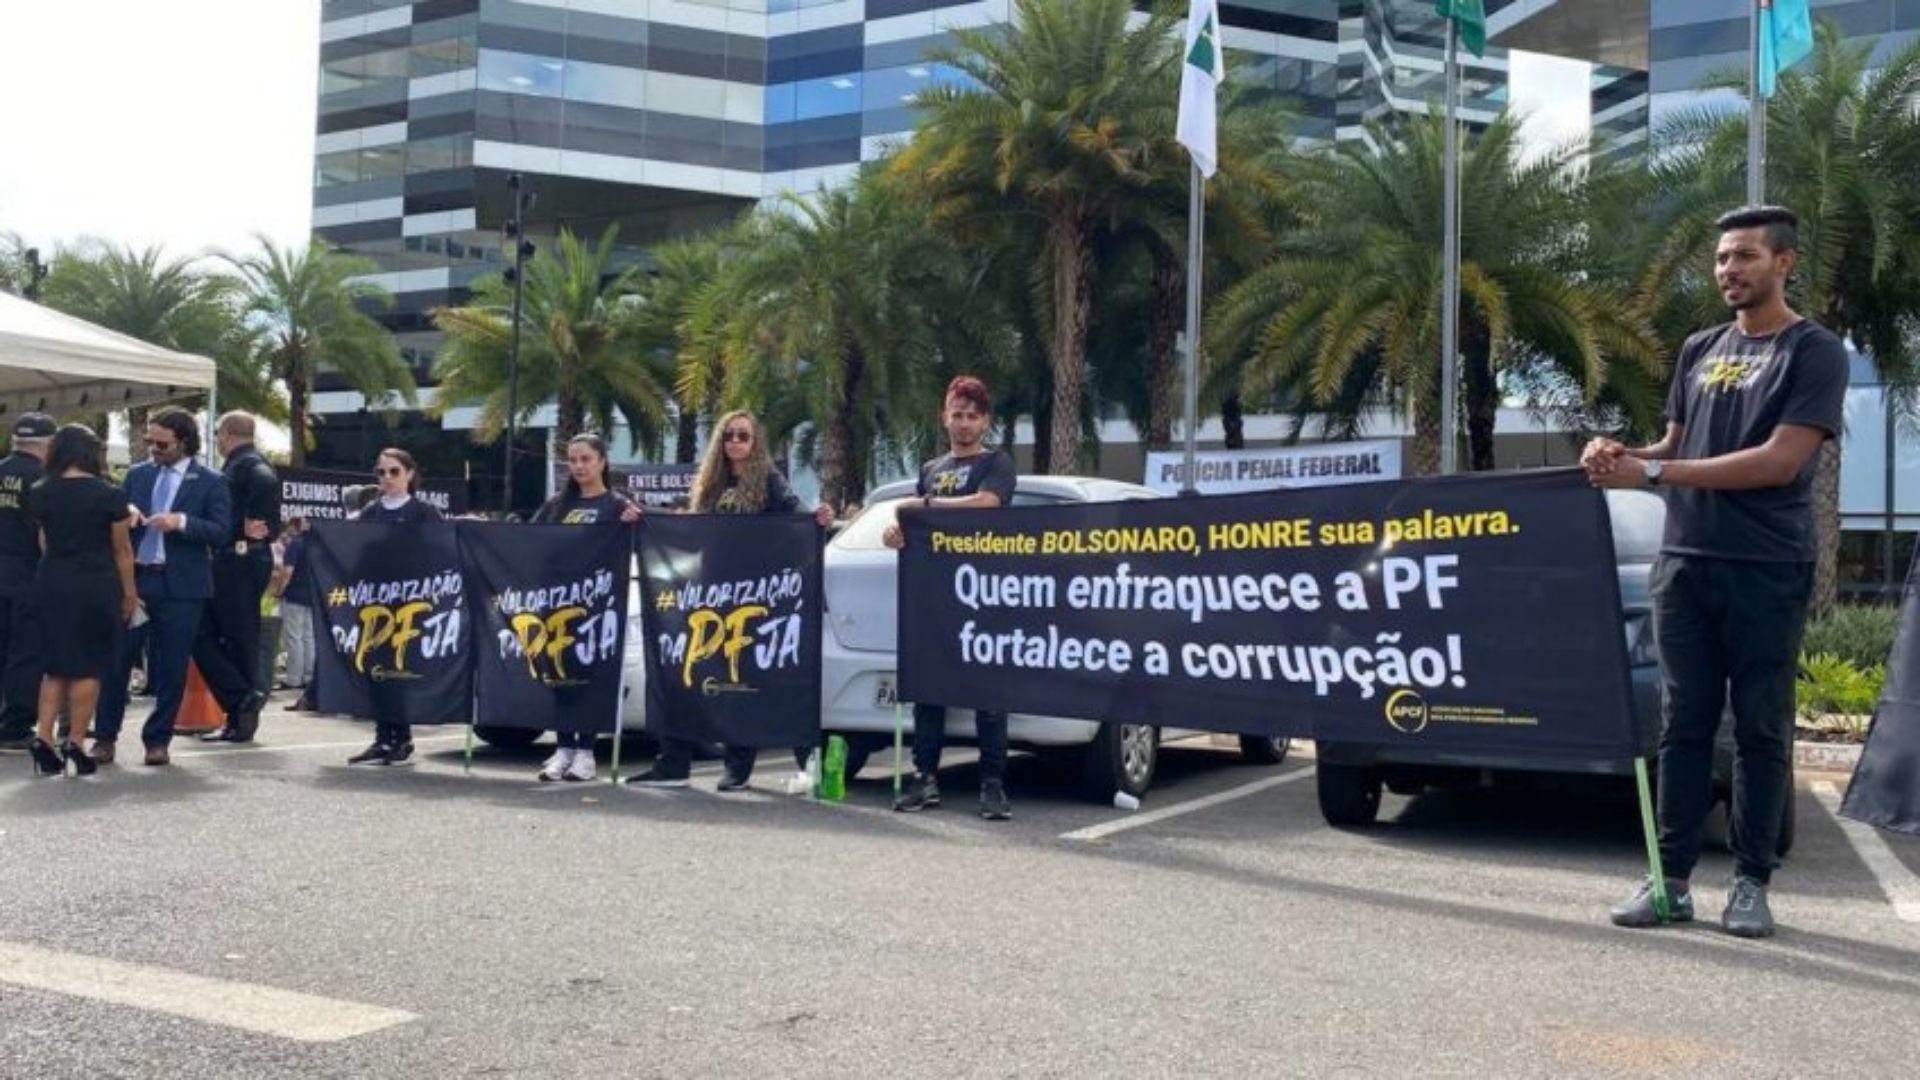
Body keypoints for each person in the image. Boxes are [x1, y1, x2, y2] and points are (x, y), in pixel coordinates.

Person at [1587, 206, 1849, 939]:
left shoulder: (1814, 351)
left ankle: (1749, 883)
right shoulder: (1700, 347)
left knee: (1761, 729)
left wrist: (1656, 470)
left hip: (1767, 566)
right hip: (1685, 567)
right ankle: (1668, 881)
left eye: (1745, 258)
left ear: (1784, 262)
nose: (1729, 270)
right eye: (1722, 260)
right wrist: (1619, 456)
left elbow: (1780, 460)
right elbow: (1671, 441)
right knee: (1683, 727)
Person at [627, 410, 833, 792]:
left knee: (756, 678)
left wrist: (818, 518)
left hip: (756, 597)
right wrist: (647, 518)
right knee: (693, 674)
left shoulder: (770, 480)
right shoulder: (709, 484)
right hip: (711, 595)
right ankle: (673, 765)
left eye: (743, 436)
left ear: (755, 443)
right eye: (729, 435)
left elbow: (798, 519)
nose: (735, 442)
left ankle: (772, 765)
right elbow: (692, 527)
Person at [882, 376, 1018, 820]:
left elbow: (989, 504)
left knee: (989, 695)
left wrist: (929, 508)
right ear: (944, 417)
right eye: (956, 415)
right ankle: (925, 779)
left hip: (985, 597)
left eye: (972, 416)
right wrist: (898, 533)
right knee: (928, 693)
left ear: (985, 420)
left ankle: (993, 785)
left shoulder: (998, 463)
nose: (963, 424)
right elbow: (915, 528)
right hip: (933, 598)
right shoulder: (930, 470)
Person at [95, 407, 232, 768]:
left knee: (171, 667)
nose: (153, 448)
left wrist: (181, 522)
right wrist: (126, 514)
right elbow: (115, 522)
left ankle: (158, 740)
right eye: (149, 441)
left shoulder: (211, 481)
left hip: (181, 585)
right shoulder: (137, 475)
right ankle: (105, 737)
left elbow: (221, 532)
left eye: (161, 443)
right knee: (117, 662)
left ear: (184, 442)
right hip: (136, 581)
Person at [25, 425, 139, 777]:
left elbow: (45, 541)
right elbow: (121, 550)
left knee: (54, 664)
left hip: (52, 579)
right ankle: (75, 740)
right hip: (95, 581)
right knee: (89, 665)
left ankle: (43, 737)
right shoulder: (109, 494)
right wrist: (130, 593)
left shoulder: (41, 491)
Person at [531, 433, 642, 783]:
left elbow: (638, 544)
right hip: (557, 608)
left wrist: (633, 524)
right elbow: (526, 543)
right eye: (573, 460)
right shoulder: (554, 506)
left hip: (598, 608)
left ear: (601, 462)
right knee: (560, 676)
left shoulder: (616, 505)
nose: (578, 466)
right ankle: (563, 749)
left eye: (586, 459)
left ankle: (586, 753)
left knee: (591, 680)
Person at [346, 448, 442, 766]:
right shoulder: (370, 512)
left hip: (409, 606)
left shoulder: (424, 512)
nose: (387, 478)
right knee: (375, 669)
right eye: (381, 472)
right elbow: (354, 554)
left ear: (410, 474)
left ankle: (401, 738)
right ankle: (381, 737)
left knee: (399, 669)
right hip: (374, 606)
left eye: (394, 471)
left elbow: (440, 553)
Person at [196, 412, 282, 743]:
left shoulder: (244, 464)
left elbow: (265, 483)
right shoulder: (243, 463)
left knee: (232, 637)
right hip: (240, 558)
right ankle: (239, 708)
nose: (215, 439)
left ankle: (241, 706)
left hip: (238, 559)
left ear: (227, 434)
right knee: (225, 636)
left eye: (217, 433)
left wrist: (246, 522)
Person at [0, 412, 54, 750]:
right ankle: (16, 724)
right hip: (26, 572)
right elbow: (44, 535)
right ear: (47, 445)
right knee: (25, 650)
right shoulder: (42, 480)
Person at [275, 518, 317, 708]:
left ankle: (293, 678)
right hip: (313, 597)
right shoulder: (318, 546)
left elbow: (287, 571)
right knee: (309, 637)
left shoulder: (296, 544)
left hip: (294, 596)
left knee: (293, 638)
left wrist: (279, 590)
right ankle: (309, 676)